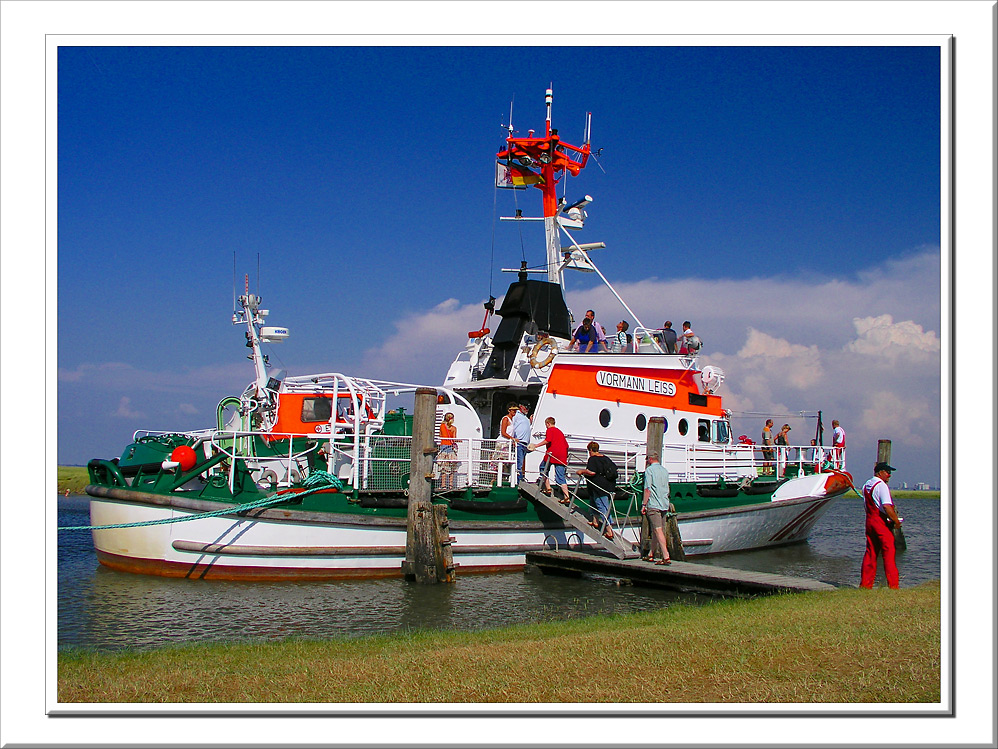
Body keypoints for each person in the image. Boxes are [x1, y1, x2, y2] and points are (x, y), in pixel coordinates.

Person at [860, 461, 902, 589]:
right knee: (889, 553)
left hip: (869, 521)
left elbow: (866, 505)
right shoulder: (882, 486)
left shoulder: (866, 484)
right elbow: (887, 507)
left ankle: (865, 585)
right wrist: (896, 521)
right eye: (887, 472)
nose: (889, 475)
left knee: (870, 552)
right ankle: (893, 585)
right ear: (880, 472)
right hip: (880, 523)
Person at [576, 441, 618, 540]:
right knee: (594, 501)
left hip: (599, 487)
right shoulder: (606, 458)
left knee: (602, 507)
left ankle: (609, 530)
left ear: (591, 450)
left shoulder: (593, 459)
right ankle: (595, 521)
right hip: (608, 485)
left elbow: (592, 472)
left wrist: (582, 471)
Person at [529, 416, 570, 504]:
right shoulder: (560, 432)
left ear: (548, 423)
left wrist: (536, 445)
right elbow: (566, 445)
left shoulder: (550, 430)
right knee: (560, 477)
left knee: (543, 468)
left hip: (552, 454)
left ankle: (548, 488)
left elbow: (548, 440)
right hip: (562, 456)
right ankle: (567, 496)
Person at [641, 453, 672, 565]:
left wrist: (644, 504)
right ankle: (651, 554)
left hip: (654, 504)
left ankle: (666, 556)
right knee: (657, 529)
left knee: (658, 530)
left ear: (650, 459)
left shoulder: (649, 471)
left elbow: (647, 489)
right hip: (664, 504)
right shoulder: (665, 471)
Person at [493, 401, 518, 485]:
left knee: (506, 463)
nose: (515, 412)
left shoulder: (512, 420)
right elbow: (503, 432)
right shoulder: (505, 419)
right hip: (502, 442)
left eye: (515, 410)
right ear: (509, 410)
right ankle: (495, 480)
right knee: (499, 462)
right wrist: (512, 438)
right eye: (513, 410)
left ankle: (502, 480)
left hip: (508, 443)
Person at [437, 412, 458, 490]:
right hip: (450, 449)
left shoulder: (442, 426)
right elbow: (454, 439)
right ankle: (450, 485)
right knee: (452, 468)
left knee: (443, 468)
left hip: (443, 448)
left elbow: (440, 435)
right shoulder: (454, 428)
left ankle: (443, 485)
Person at [511, 402, 531, 483]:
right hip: (518, 442)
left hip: (524, 443)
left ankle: (520, 477)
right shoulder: (516, 415)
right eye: (526, 407)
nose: (527, 409)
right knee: (519, 461)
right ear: (521, 406)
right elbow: (512, 426)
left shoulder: (525, 418)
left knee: (521, 461)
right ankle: (519, 479)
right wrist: (513, 438)